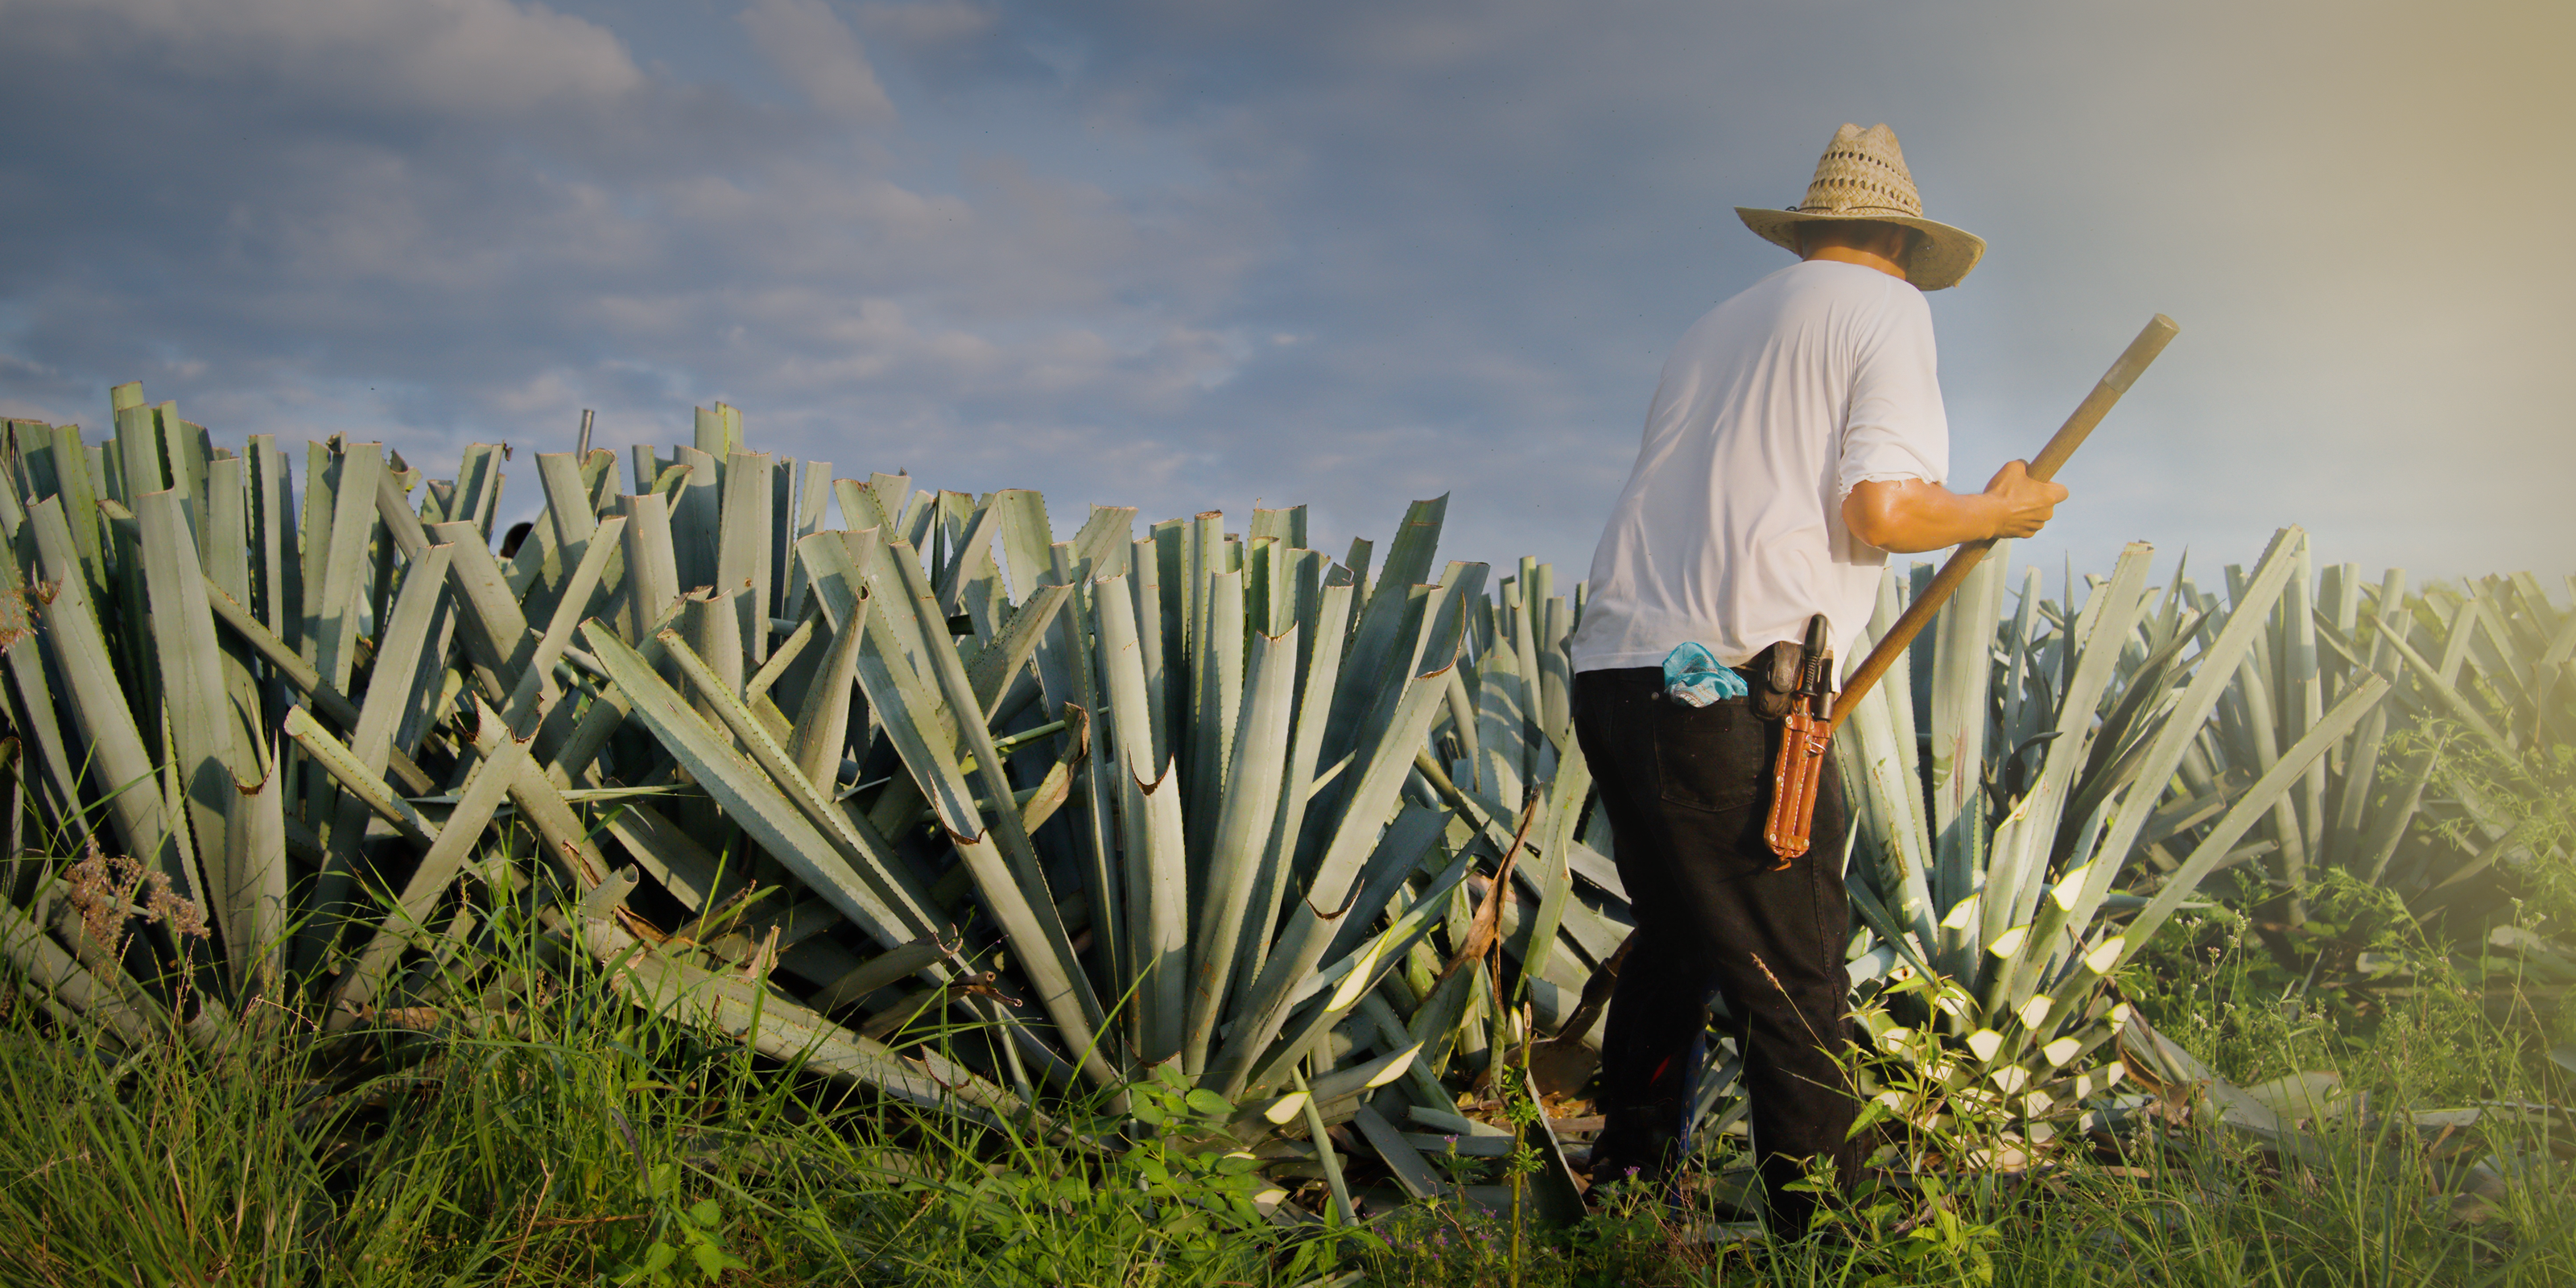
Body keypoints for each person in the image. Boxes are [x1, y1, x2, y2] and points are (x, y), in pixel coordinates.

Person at [1564, 122, 2066, 1237]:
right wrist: (2006, 512)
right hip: (1737, 683)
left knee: (1684, 937)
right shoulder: (1888, 310)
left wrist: (1973, 506)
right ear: (1900, 238)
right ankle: (1836, 1240)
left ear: (1811, 232)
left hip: (1615, 669)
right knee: (1794, 970)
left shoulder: (1712, 330)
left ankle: (1631, 1197)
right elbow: (1881, 510)